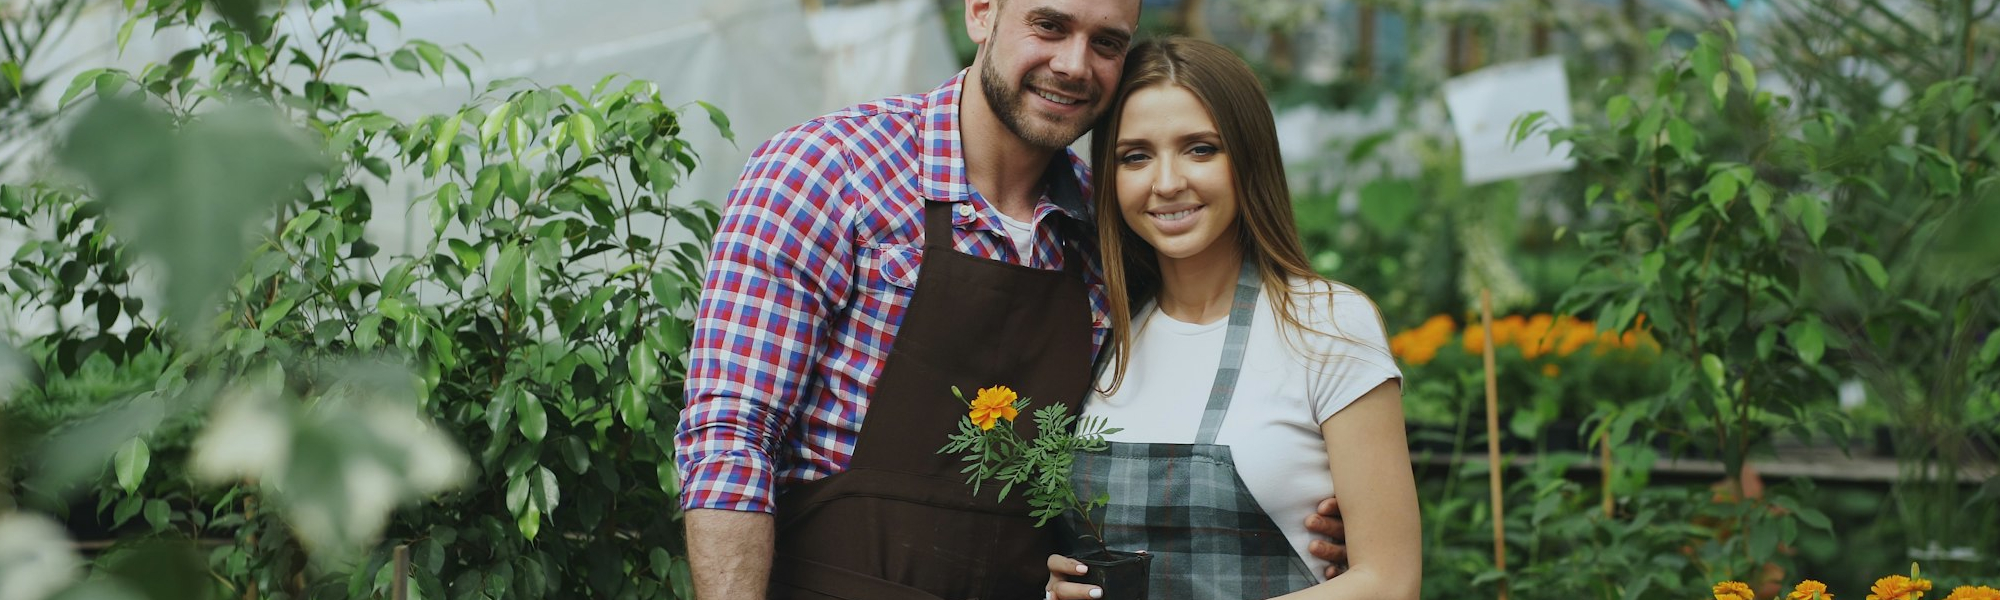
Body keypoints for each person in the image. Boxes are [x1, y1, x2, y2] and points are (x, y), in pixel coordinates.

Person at [675, 1, 1350, 597]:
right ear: (981, 12)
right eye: (1049, 26)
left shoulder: (1111, 234)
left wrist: (1294, 503)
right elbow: (731, 439)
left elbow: (1177, 424)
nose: (1074, 64)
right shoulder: (827, 171)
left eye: (1107, 43)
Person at [1044, 36, 1422, 600]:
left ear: (1248, 158)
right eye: (1136, 156)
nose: (1167, 182)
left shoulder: (1327, 325)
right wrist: (1063, 588)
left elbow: (1389, 581)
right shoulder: (1102, 330)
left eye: (1200, 149)